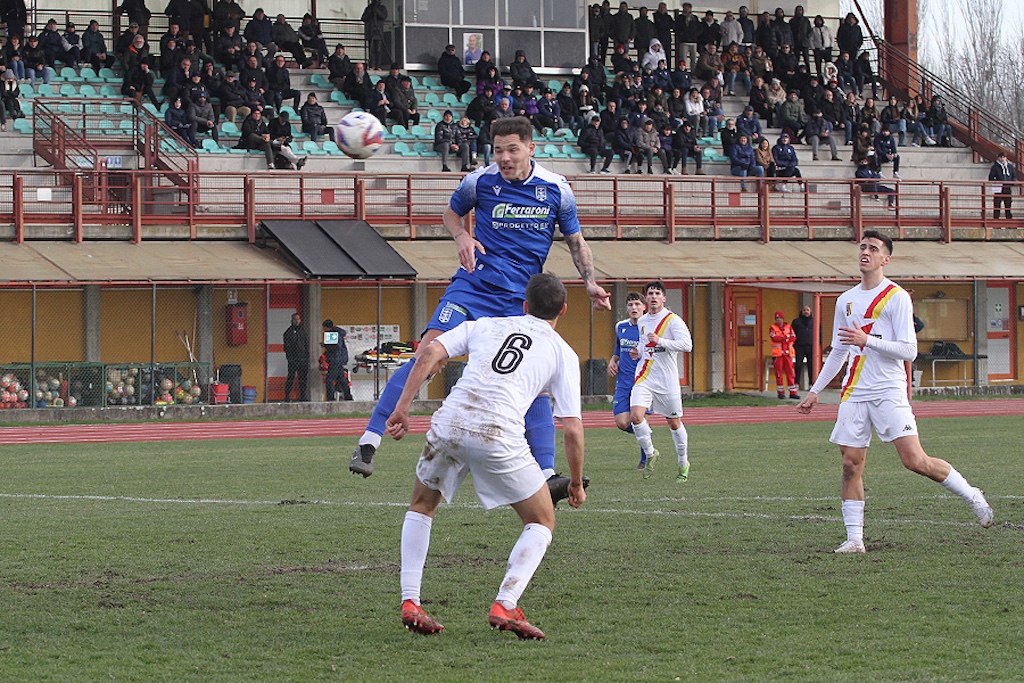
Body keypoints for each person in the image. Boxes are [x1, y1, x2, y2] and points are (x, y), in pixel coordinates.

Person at [350, 116, 611, 505]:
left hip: (518, 301)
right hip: (473, 286)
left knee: (536, 381)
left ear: (530, 148)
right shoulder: (479, 181)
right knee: (428, 354)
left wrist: (589, 280)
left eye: (512, 149)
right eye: (498, 149)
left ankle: (546, 474)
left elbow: (575, 240)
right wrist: (462, 236)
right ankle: (369, 441)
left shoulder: (556, 189)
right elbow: (451, 213)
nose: (504, 157)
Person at [387, 272, 585, 640]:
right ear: (563, 310)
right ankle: (506, 603)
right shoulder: (563, 352)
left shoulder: (486, 325)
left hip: (449, 421)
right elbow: (571, 428)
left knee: (421, 506)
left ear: (525, 305)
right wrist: (574, 482)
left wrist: (401, 409)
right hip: (497, 433)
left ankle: (410, 601)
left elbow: (429, 353)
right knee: (542, 519)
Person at [797, 231, 994, 553]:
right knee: (850, 463)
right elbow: (838, 350)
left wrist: (867, 340)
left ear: (885, 258)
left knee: (915, 460)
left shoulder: (896, 297)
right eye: (862, 247)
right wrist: (815, 390)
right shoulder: (845, 300)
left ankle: (971, 494)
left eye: (873, 249)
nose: (865, 252)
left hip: (888, 389)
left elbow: (909, 351)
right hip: (854, 391)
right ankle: (855, 539)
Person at [629, 281, 693, 482]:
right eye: (650, 293)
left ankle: (683, 462)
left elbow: (687, 345)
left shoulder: (673, 320)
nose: (653, 296)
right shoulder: (642, 321)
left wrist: (660, 341)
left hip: (667, 380)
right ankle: (650, 453)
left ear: (664, 298)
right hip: (645, 376)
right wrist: (637, 352)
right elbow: (643, 345)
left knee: (674, 422)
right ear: (645, 298)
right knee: (636, 416)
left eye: (657, 293)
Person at [608, 291, 647, 469]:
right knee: (622, 422)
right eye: (630, 305)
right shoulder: (620, 326)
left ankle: (645, 456)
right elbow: (618, 347)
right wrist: (613, 360)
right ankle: (647, 435)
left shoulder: (649, 328)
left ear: (644, 307)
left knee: (636, 418)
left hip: (642, 382)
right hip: (623, 382)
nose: (634, 308)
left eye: (637, 304)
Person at [769, 310, 799, 399]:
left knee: (791, 373)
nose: (779, 320)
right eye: (777, 318)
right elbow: (774, 338)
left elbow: (793, 337)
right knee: (779, 374)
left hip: (788, 354)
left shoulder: (789, 327)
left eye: (780, 318)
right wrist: (785, 338)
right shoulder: (773, 327)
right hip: (778, 355)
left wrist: (784, 338)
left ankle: (793, 392)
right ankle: (780, 393)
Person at [321, 319, 352, 401]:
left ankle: (330, 398)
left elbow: (335, 347)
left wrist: (325, 345)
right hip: (339, 359)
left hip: (335, 359)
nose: (323, 330)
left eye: (324, 328)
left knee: (329, 379)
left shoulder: (333, 334)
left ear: (328, 327)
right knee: (341, 379)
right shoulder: (338, 333)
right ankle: (348, 396)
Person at [282, 312, 308, 401]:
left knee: (303, 378)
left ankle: (303, 396)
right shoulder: (288, 332)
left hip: (303, 359)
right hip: (293, 360)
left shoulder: (302, 331)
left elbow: (306, 344)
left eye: (298, 319)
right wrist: (290, 358)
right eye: (295, 319)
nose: (297, 321)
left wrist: (306, 357)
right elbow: (287, 347)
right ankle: (287, 397)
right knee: (291, 378)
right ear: (292, 320)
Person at [791, 305, 816, 389]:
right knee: (798, 365)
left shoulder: (814, 321)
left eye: (807, 310)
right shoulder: (796, 322)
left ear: (810, 312)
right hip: (799, 346)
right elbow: (792, 333)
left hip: (810, 345)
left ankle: (811, 384)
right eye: (804, 310)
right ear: (801, 311)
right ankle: (796, 383)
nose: (806, 311)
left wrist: (818, 343)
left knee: (811, 365)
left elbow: (819, 333)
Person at [989, 151, 1017, 220]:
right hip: (998, 189)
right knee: (997, 206)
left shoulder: (1010, 166)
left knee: (1008, 206)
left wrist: (1012, 182)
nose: (1002, 159)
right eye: (1001, 157)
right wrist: (996, 182)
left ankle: (1009, 222)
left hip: (1007, 188)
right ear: (998, 158)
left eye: (1003, 157)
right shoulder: (995, 167)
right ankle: (996, 222)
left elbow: (1014, 176)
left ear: (1006, 158)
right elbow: (991, 177)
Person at [361, 0, 389, 70]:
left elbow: (384, 17)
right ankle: (371, 65)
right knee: (371, 50)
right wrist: (370, 13)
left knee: (378, 50)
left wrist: (376, 11)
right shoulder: (369, 8)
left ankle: (378, 65)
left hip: (378, 32)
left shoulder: (382, 8)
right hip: (371, 31)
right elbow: (363, 18)